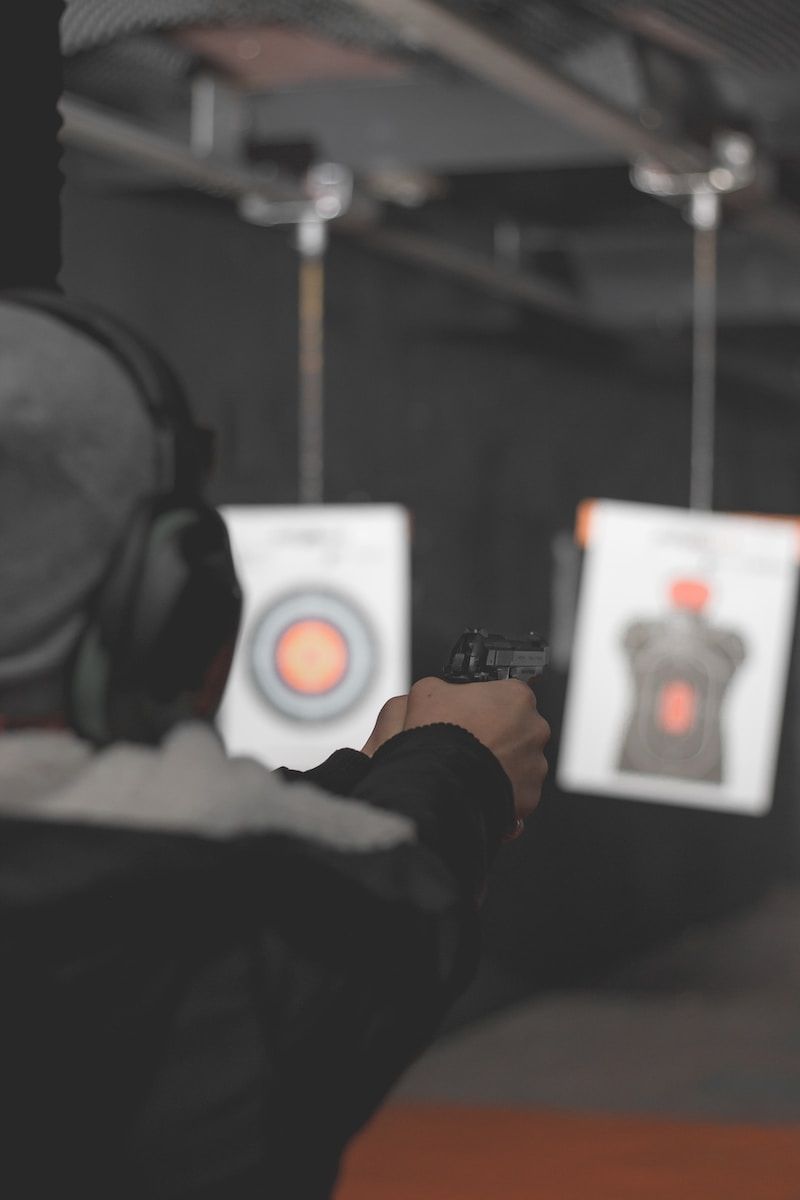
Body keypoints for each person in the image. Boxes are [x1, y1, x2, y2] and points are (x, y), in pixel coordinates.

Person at [0, 6, 550, 1199]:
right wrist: (454, 758)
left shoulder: (222, 903)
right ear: (167, 605)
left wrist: (383, 769)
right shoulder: (247, 947)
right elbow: (374, 889)